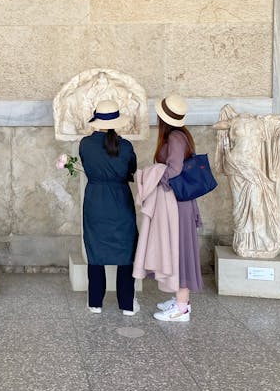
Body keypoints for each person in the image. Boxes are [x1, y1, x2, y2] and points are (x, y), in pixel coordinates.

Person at [79, 99, 139, 315]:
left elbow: (86, 165)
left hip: (95, 199)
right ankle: (127, 304)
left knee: (95, 249)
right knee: (126, 250)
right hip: (120, 199)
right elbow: (131, 168)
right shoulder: (126, 146)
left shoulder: (85, 144)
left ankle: (95, 302)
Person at [152, 93, 203, 322]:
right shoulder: (181, 136)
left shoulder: (174, 138)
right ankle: (181, 301)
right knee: (180, 250)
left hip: (178, 206)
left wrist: (154, 179)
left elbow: (173, 170)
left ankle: (182, 308)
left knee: (180, 252)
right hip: (181, 203)